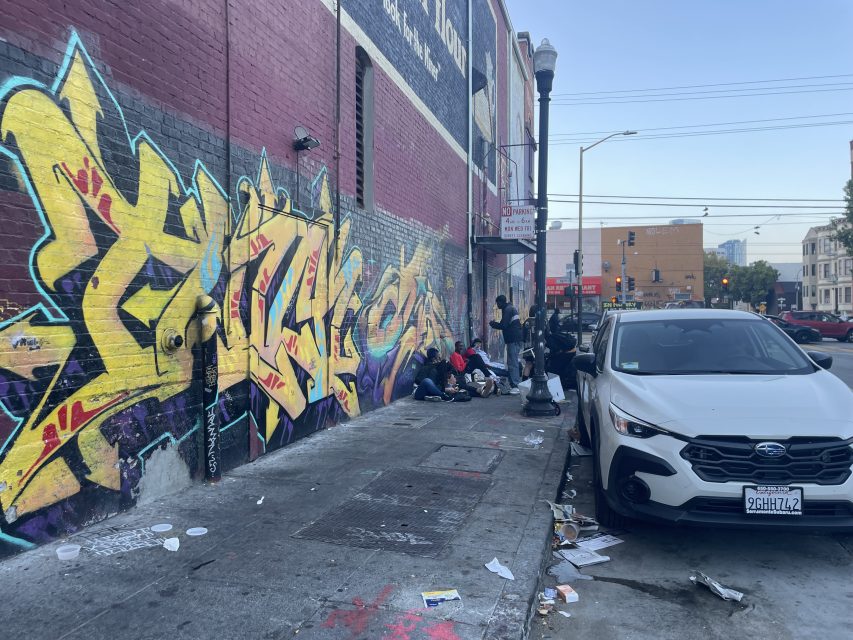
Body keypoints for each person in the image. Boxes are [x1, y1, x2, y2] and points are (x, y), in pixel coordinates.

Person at [489, 295, 523, 393]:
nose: (497, 305)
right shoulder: (509, 308)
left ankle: (515, 384)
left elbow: (504, 325)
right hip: (514, 339)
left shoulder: (507, 310)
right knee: (512, 361)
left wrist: (493, 324)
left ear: (501, 302)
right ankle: (514, 383)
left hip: (513, 339)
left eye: (498, 303)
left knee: (512, 362)